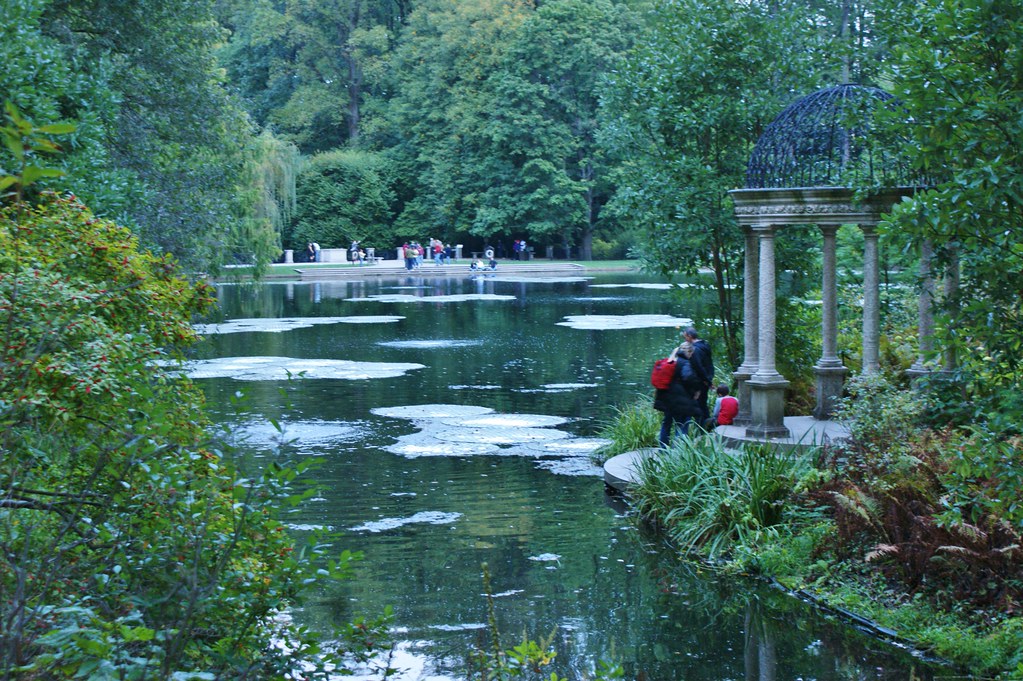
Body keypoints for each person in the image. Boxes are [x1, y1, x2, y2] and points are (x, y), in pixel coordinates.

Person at [653, 341, 702, 448]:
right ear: (689, 352)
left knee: (666, 423)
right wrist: (697, 388)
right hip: (679, 399)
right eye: (691, 353)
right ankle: (677, 451)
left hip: (666, 398)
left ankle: (663, 449)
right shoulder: (684, 362)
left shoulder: (670, 360)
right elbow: (688, 377)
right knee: (681, 424)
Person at [684, 326, 714, 427]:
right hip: (706, 379)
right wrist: (709, 380)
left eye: (685, 337)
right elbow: (709, 364)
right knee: (703, 404)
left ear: (689, 336)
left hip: (699, 382)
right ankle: (708, 426)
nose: (685, 340)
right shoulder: (705, 345)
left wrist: (705, 380)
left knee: (698, 405)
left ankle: (701, 429)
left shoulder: (695, 349)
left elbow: (698, 367)